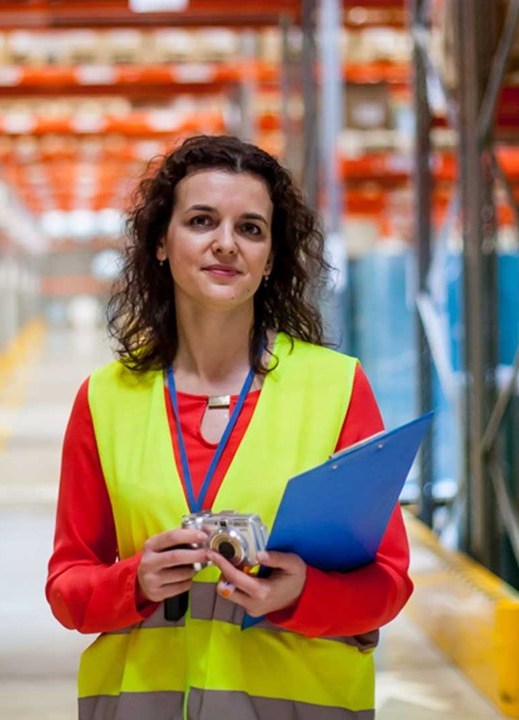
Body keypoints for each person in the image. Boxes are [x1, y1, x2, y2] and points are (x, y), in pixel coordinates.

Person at [46, 135, 413, 719]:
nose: (226, 244)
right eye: (201, 220)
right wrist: (135, 581)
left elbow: (389, 583)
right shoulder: (104, 400)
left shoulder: (336, 387)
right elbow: (67, 588)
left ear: (271, 258)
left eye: (251, 228)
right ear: (161, 243)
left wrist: (301, 595)